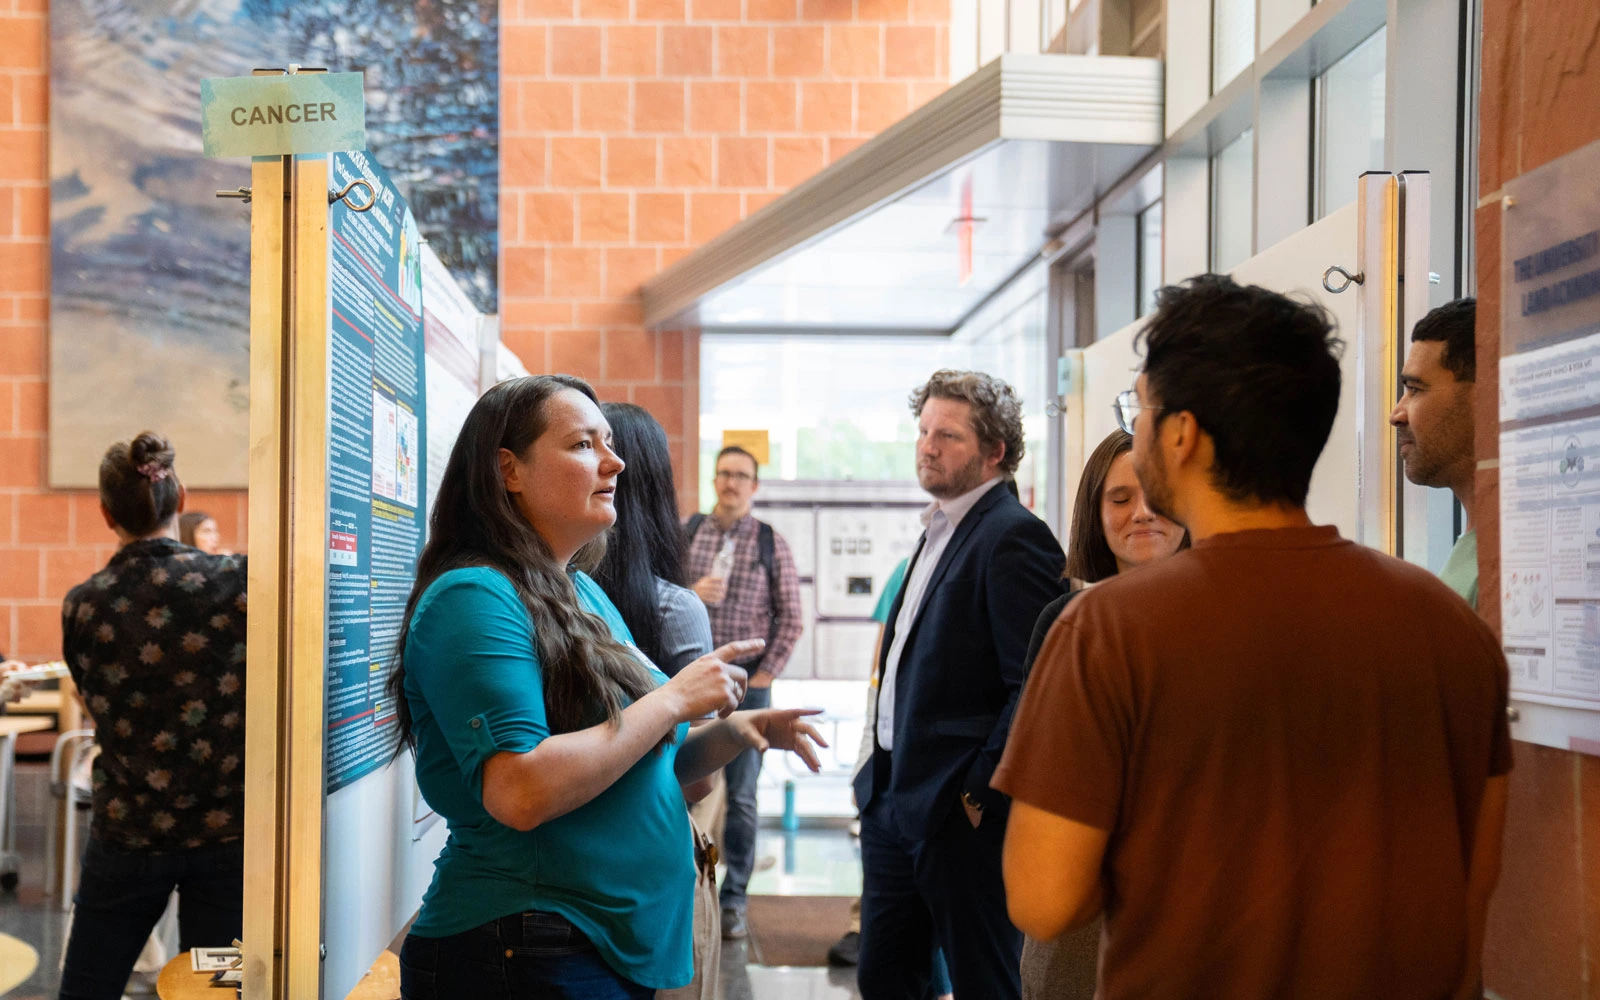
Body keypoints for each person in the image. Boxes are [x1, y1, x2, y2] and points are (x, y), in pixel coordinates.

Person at [995, 275, 1511, 1000]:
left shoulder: (1108, 630)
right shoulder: (1450, 625)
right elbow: (1476, 880)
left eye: (1138, 410)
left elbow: (1044, 898)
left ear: (1181, 435)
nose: (1135, 432)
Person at [391, 375, 826, 1000]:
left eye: (611, 442)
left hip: (588, 944)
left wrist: (732, 732)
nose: (615, 462)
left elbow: (639, 758)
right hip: (525, 943)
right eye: (582, 444)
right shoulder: (474, 596)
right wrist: (673, 698)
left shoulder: (579, 588)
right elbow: (521, 789)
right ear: (509, 470)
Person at [853, 370, 1065, 1000]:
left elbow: (1035, 684)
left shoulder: (1013, 535)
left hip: (957, 809)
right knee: (886, 977)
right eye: (923, 431)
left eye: (947, 434)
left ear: (995, 450)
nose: (927, 445)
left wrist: (978, 793)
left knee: (985, 982)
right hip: (893, 796)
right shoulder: (941, 528)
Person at [56, 432, 250, 1000]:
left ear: (105, 512)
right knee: (217, 992)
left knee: (88, 988)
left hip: (127, 838)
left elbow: (93, 704)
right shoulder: (240, 583)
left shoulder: (84, 602)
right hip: (226, 840)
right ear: (181, 498)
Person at [1016, 429, 1185, 1000]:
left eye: (1160, 495)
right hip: (1082, 907)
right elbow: (1038, 774)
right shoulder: (1066, 622)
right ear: (1095, 511)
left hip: (1196, 900)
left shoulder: (1228, 620)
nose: (1143, 513)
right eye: (1119, 499)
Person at [587, 401, 720, 1000]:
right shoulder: (670, 604)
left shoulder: (553, 593)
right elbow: (697, 781)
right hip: (648, 858)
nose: (602, 461)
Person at [683, 445, 804, 940]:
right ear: (714, 480)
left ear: (754, 486)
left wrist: (762, 679)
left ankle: (733, 900)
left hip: (747, 686)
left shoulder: (770, 543)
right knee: (680, 784)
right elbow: (655, 595)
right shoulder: (686, 534)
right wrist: (693, 592)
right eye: (723, 474)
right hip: (689, 679)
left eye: (741, 476)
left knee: (745, 795)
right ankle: (686, 886)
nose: (730, 483)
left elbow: (792, 618)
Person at [829, 554, 952, 1000]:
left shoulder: (988, 557)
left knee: (935, 905)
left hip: (939, 774)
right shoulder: (908, 566)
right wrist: (868, 762)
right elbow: (880, 672)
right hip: (888, 764)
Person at [1390, 297, 1480, 606]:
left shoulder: (1519, 556)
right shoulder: (1475, 553)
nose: (1396, 414)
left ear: (1484, 397)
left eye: (1415, 389)